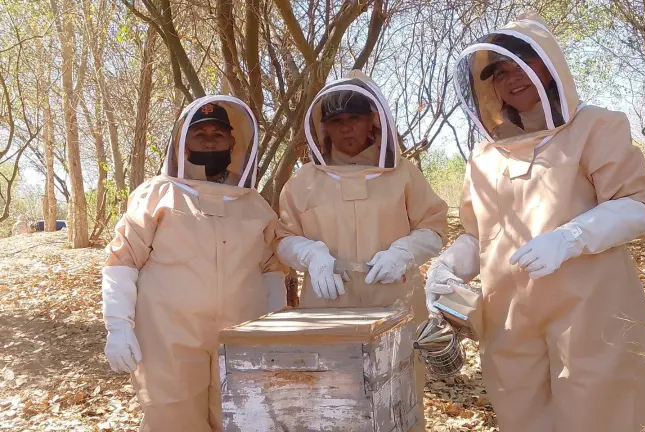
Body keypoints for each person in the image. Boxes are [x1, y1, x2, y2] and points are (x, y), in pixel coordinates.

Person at [425, 13, 645, 432]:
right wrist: (447, 267)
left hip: (590, 311)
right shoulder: (485, 155)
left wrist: (571, 238)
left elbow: (636, 206)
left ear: (549, 70)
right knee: (521, 415)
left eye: (523, 65)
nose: (513, 79)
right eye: (500, 73)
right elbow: (477, 236)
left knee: (600, 412)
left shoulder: (598, 126)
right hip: (508, 319)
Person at [275, 71, 448, 431]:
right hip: (326, 306)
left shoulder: (404, 174)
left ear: (373, 121)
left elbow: (434, 228)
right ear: (323, 129)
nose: (346, 129)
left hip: (396, 302)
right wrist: (310, 255)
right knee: (330, 399)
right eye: (336, 121)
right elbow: (282, 238)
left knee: (400, 399)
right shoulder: (303, 181)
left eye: (354, 118)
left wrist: (404, 251)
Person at [101, 96, 286, 432]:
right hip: (168, 340)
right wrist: (118, 325)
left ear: (233, 142)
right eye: (201, 134)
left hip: (241, 335)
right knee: (172, 420)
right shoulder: (156, 194)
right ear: (183, 143)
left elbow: (271, 269)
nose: (210, 140)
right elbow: (122, 260)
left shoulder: (254, 204)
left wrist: (277, 328)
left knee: (242, 419)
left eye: (219, 134)